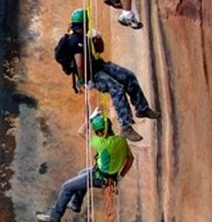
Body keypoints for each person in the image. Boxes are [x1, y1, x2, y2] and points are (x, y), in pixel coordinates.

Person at [67, 8, 160, 142]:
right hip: (91, 75)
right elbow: (80, 64)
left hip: (99, 65)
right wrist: (84, 80)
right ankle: (126, 126)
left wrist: (97, 39)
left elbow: (99, 50)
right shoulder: (75, 41)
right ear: (83, 24)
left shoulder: (85, 36)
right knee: (116, 88)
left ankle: (142, 108)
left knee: (128, 76)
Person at [36, 113, 134, 222]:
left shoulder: (102, 143)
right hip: (110, 176)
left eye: (96, 132)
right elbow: (130, 159)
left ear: (101, 132)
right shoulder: (122, 141)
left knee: (66, 187)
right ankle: (75, 204)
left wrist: (90, 119)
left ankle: (55, 216)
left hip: (98, 177)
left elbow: (81, 132)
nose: (96, 134)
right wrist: (120, 176)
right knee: (82, 173)